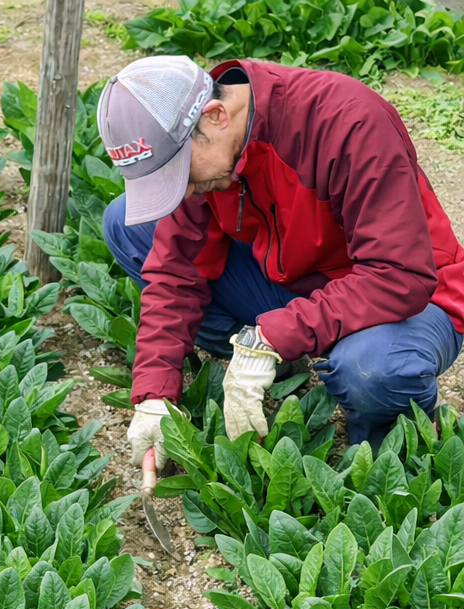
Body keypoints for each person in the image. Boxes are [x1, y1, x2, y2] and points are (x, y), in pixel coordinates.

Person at [96, 55, 464, 470]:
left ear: (215, 115)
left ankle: (399, 438)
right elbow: (176, 270)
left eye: (178, 173)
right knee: (127, 225)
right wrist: (154, 394)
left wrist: (273, 335)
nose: (179, 191)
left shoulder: (347, 121)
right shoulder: (212, 148)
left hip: (410, 296)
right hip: (295, 280)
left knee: (371, 372)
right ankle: (280, 360)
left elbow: (400, 276)